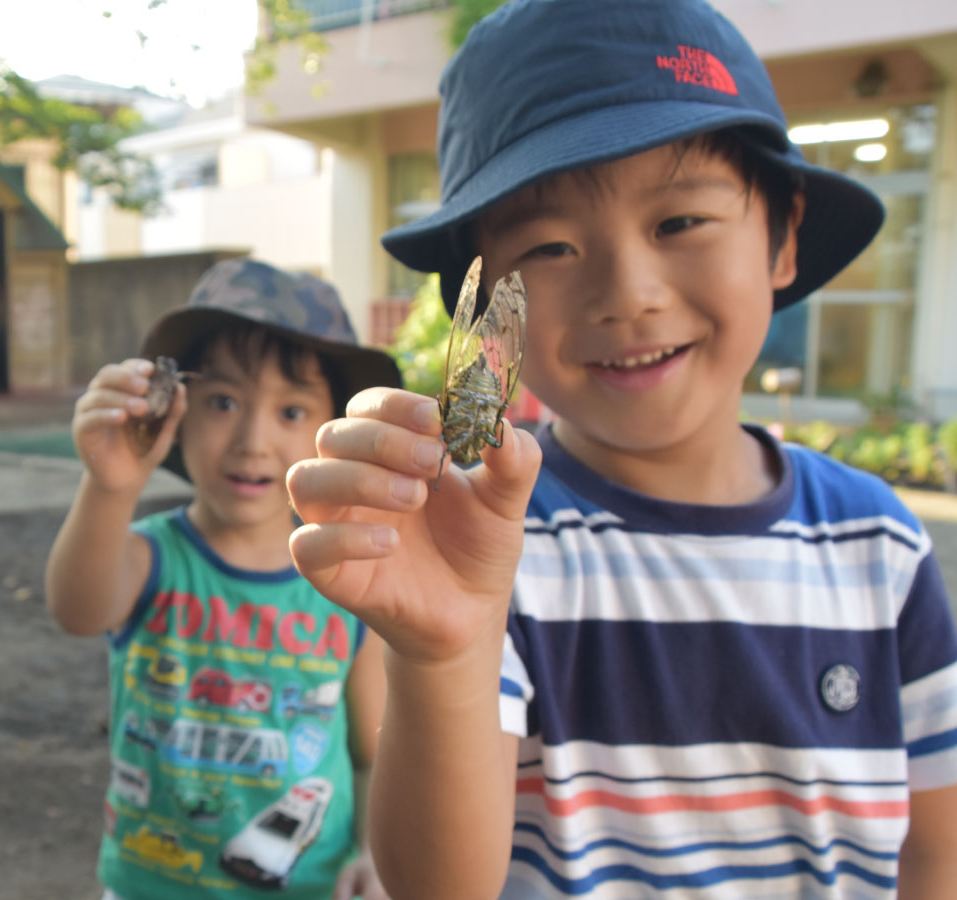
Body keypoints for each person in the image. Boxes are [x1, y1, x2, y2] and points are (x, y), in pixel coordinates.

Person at [282, 1, 957, 897]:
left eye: (680, 223)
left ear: (784, 235)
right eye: (551, 245)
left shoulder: (882, 546)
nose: (627, 294)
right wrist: (445, 651)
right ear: (483, 311)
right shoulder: (487, 544)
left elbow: (935, 853)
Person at [46, 258, 403, 900]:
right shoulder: (148, 557)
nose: (252, 439)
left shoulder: (347, 582)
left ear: (335, 431)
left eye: (292, 411)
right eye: (223, 401)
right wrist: (108, 486)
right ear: (175, 413)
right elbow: (76, 609)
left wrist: (375, 850)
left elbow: (374, 751)